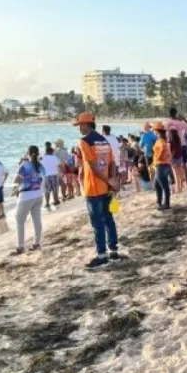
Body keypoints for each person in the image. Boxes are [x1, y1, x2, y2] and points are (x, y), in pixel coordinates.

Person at [74, 112, 122, 269]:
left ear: (86, 125)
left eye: (80, 125)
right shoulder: (104, 141)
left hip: (93, 187)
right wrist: (112, 180)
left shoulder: (84, 142)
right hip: (106, 186)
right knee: (108, 218)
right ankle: (113, 250)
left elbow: (92, 166)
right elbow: (112, 163)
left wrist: (108, 180)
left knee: (97, 222)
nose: (79, 129)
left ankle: (102, 255)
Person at [12, 145, 45, 255]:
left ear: (28, 153)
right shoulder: (40, 165)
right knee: (37, 220)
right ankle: (36, 243)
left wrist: (20, 164)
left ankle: (20, 246)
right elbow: (42, 177)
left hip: (26, 196)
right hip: (38, 194)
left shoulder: (25, 165)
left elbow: (16, 180)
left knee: (20, 220)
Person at [152, 123, 173, 210]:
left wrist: (158, 157)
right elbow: (168, 152)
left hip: (161, 165)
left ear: (157, 131)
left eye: (154, 130)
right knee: (158, 185)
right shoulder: (163, 140)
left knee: (164, 186)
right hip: (165, 164)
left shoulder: (161, 141)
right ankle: (159, 202)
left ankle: (166, 204)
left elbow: (162, 149)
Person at [41, 145, 62, 209]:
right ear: (52, 152)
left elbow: (40, 166)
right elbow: (59, 166)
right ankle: (56, 200)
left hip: (46, 175)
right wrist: (60, 174)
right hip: (55, 174)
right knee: (55, 189)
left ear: (46, 152)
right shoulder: (55, 158)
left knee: (47, 190)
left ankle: (47, 203)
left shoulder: (43, 158)